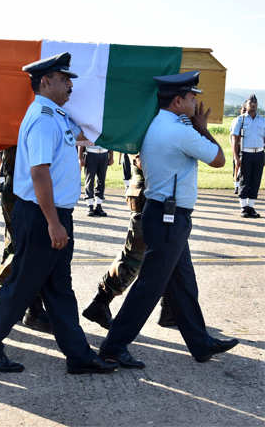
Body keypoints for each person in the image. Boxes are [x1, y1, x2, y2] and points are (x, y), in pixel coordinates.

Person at [0, 52, 117, 374]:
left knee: (59, 288)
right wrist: (53, 223)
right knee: (22, 285)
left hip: (53, 215)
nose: (69, 85)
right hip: (41, 217)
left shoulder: (56, 116)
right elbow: (39, 172)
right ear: (46, 81)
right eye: (64, 79)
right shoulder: (41, 118)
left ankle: (78, 356)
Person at [100, 71, 238, 368]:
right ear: (177, 101)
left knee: (183, 282)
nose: (195, 102)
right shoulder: (180, 130)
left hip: (165, 216)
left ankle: (201, 344)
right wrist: (203, 128)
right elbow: (219, 159)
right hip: (168, 218)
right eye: (191, 97)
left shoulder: (162, 123)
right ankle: (114, 346)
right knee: (150, 286)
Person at [81, 155, 175, 330]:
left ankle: (170, 310)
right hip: (148, 196)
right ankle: (100, 302)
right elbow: (140, 158)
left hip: (157, 194)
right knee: (134, 257)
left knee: (170, 255)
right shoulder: (144, 128)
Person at [0, 145, 52, 333]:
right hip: (20, 188)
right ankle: (29, 309)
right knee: (26, 248)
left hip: (18, 185)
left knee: (16, 244)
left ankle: (21, 305)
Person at [232, 94, 264, 218]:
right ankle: (243, 207)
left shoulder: (262, 120)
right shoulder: (241, 119)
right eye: (251, 103)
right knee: (244, 180)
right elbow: (234, 139)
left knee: (256, 181)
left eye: (255, 103)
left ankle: (251, 207)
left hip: (259, 153)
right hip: (246, 153)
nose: (253, 105)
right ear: (246, 105)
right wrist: (236, 157)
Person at [79, 144, 113, 216]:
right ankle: (90, 205)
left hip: (104, 153)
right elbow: (81, 142)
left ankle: (98, 205)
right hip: (91, 153)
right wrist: (80, 158)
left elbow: (110, 141)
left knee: (101, 181)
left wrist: (111, 157)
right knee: (90, 180)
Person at [229, 103, 248, 194]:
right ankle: (236, 185)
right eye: (243, 110)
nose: (244, 111)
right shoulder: (235, 120)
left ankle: (242, 184)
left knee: (245, 167)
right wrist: (233, 148)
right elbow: (231, 136)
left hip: (246, 147)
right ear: (240, 110)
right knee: (236, 165)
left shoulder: (247, 121)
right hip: (237, 146)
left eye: (246, 110)